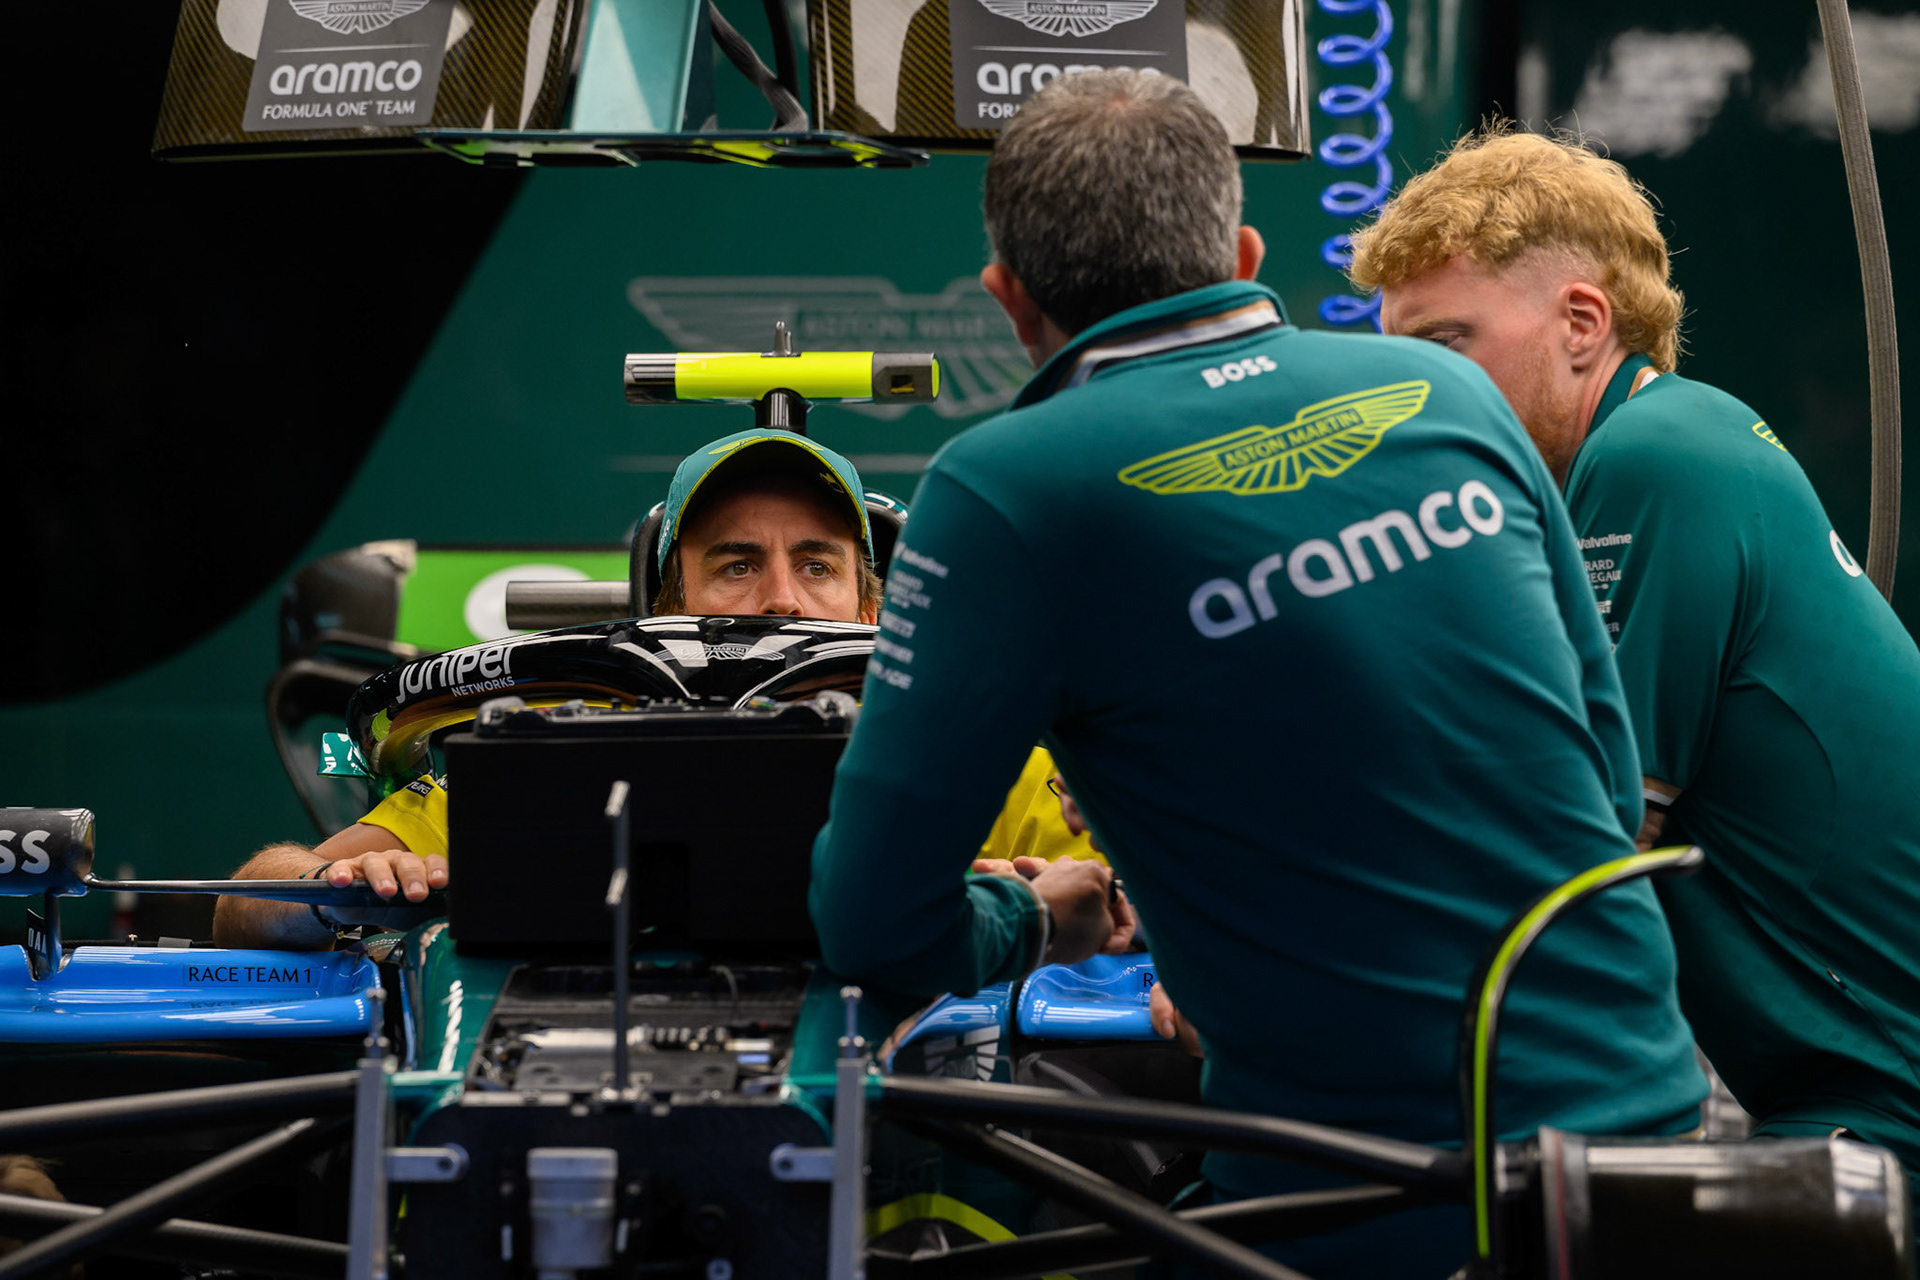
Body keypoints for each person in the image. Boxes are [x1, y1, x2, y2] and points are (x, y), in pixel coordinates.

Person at [808, 69, 1705, 1278]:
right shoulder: (1445, 389)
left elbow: (870, 919)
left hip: (1357, 1197)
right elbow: (1600, 775)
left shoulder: (999, 488)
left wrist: (1039, 912)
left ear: (1008, 301)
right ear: (1240, 249)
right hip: (1648, 1136)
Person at [1351, 126, 1920, 1178]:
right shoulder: (1650, 452)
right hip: (1842, 1086)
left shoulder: (1655, 457)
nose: (1413, 395)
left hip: (1882, 1104)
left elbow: (1575, 845)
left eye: (1444, 346)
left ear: (1581, 322)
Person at [214, 429, 1096, 948]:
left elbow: (1144, 914)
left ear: (872, 607)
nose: (781, 597)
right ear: (671, 600)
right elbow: (249, 903)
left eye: (817, 565)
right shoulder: (552, 750)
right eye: (737, 564)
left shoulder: (979, 758)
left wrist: (1073, 906)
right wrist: (340, 886)